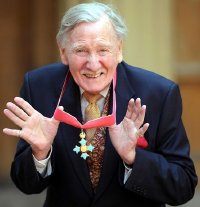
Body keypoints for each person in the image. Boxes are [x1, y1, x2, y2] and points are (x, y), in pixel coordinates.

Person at [3, 2, 198, 207]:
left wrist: (133, 158)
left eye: (103, 50)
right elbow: (26, 184)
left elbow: (183, 186)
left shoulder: (158, 94)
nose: (93, 64)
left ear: (119, 49)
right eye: (81, 51)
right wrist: (40, 154)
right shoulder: (39, 86)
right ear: (63, 52)